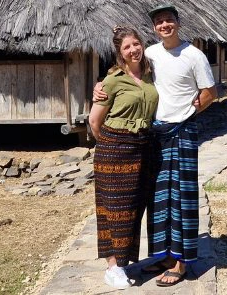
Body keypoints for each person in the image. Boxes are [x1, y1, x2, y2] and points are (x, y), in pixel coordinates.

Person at [94, 3, 217, 287]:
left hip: (182, 132)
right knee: (158, 198)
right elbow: (123, 71)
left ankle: (181, 263)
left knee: (182, 197)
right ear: (154, 28)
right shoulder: (149, 53)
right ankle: (164, 255)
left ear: (177, 23)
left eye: (169, 21)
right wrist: (99, 86)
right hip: (154, 135)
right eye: (159, 22)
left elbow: (210, 92)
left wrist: (187, 115)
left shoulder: (193, 55)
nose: (165, 26)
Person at [89, 26, 159, 290]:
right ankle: (112, 267)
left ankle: (123, 261)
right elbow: (95, 122)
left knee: (133, 208)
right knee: (112, 209)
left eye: (136, 44)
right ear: (120, 54)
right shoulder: (113, 81)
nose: (133, 50)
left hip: (143, 146)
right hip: (115, 148)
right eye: (127, 47)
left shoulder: (152, 75)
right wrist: (112, 143)